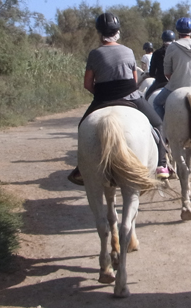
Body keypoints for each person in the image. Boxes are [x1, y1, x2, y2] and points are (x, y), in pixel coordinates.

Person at [70, 13, 171, 183]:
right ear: (117, 31)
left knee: (82, 126)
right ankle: (162, 164)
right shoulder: (128, 51)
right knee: (158, 123)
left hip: (103, 99)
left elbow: (87, 84)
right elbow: (134, 80)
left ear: (99, 32)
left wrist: (101, 94)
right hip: (130, 97)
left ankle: (81, 168)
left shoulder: (94, 54)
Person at [152, 17, 191, 119]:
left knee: (156, 103)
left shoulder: (172, 47)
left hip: (176, 86)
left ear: (177, 31)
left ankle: (164, 125)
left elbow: (167, 72)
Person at [145, 30, 174, 100]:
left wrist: (155, 75)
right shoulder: (176, 52)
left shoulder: (156, 53)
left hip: (160, 81)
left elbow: (152, 72)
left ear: (163, 40)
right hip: (175, 82)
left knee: (147, 96)